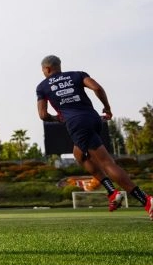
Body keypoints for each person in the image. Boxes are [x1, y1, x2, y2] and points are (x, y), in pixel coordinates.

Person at [36, 55, 152, 220]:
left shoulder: (42, 86)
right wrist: (107, 108)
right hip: (94, 119)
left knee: (106, 162)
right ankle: (112, 192)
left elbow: (42, 114)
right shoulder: (77, 74)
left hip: (77, 124)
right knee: (78, 153)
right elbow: (97, 88)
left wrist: (56, 118)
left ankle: (146, 200)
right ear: (58, 66)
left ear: (46, 69)